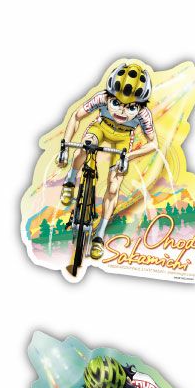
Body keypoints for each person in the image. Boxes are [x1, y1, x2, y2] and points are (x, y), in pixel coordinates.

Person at [57, 60, 159, 260]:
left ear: (140, 106)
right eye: (116, 103)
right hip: (101, 128)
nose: (122, 111)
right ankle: (70, 180)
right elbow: (76, 116)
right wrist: (65, 147)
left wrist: (129, 156)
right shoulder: (101, 98)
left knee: (113, 187)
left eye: (131, 107)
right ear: (109, 97)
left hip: (123, 138)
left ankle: (99, 235)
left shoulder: (144, 114)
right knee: (85, 147)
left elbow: (153, 143)